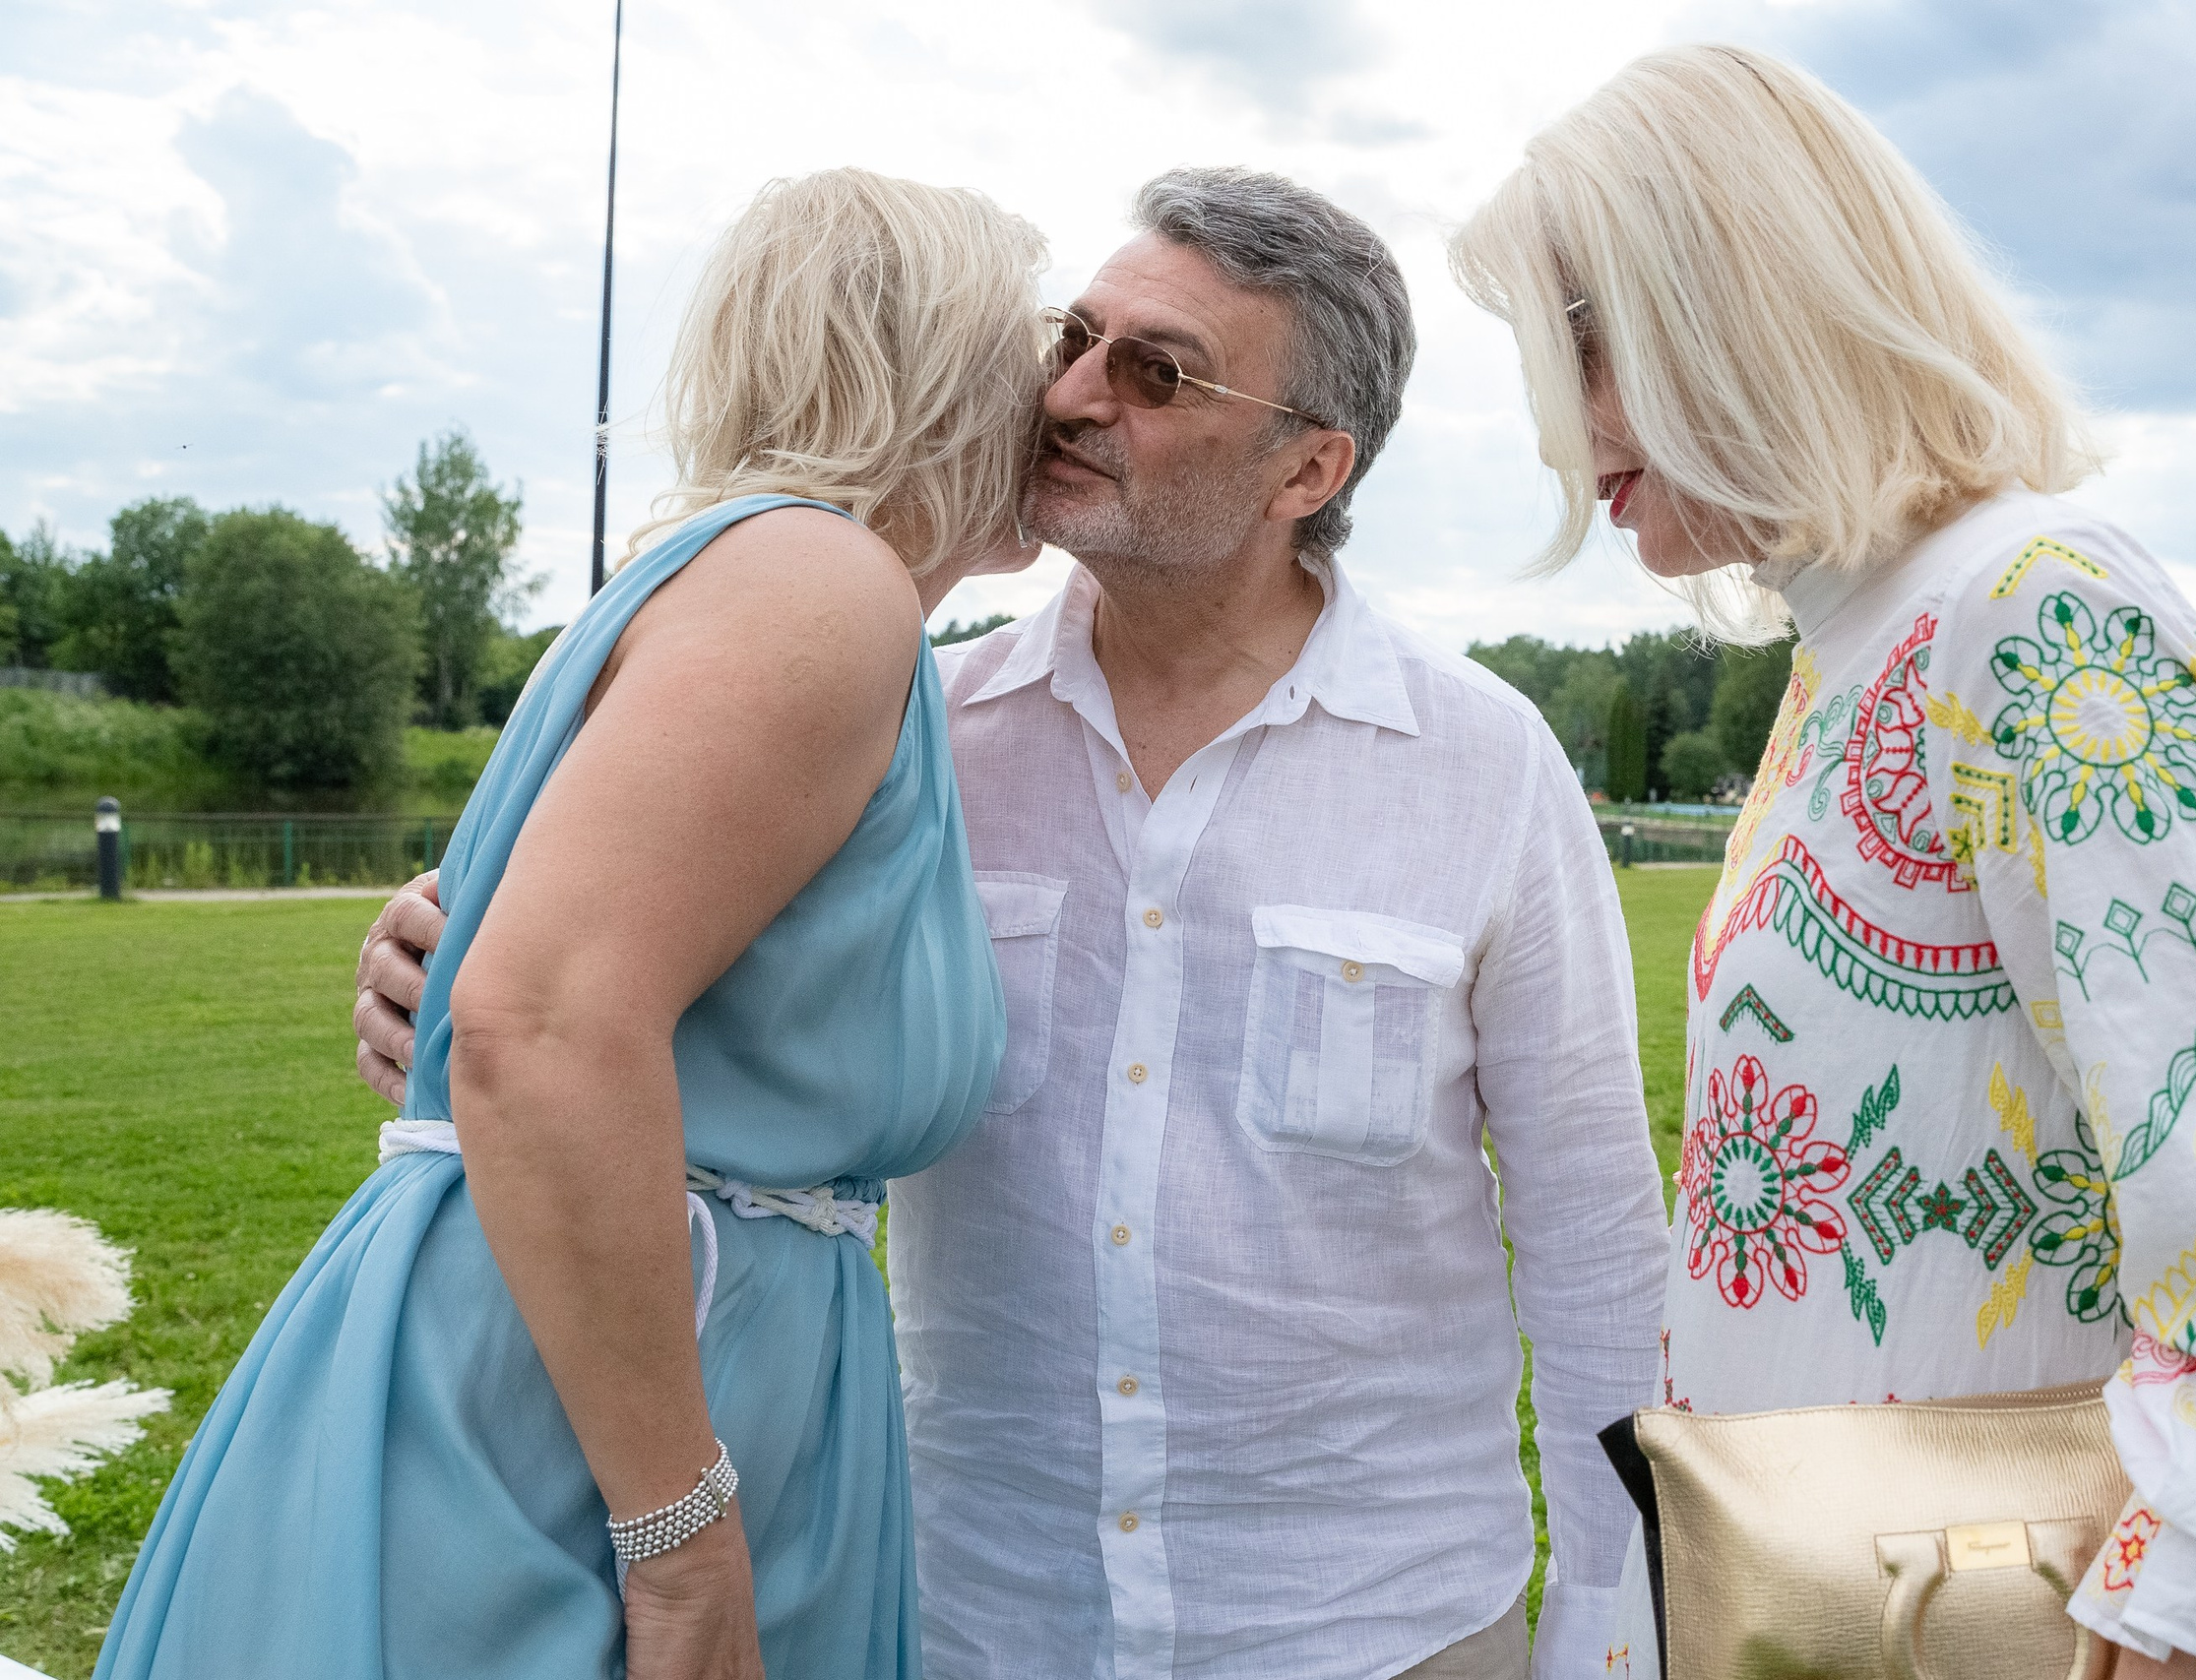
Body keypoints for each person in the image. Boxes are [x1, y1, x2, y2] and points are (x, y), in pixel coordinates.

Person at [357, 166, 1669, 1680]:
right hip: (972, 1610)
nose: (1070, 394)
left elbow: (1591, 1244)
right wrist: (438, 950)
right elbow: (597, 989)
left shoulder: (1484, 765)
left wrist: (1605, 1630)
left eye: (1156, 370)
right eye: (1074, 337)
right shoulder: (911, 726)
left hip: (1370, 1623)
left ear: (1307, 471)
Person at [1451, 44, 2196, 1680]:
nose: (1550, 438)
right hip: (1865, 1607)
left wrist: (2178, 1636)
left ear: (1714, 306)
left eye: (1564, 355)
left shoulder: (2035, 610)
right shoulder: (1856, 643)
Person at [104, 168, 1046, 1680]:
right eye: (1044, 338)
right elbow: (540, 1023)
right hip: (580, 1446)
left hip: (638, 1389)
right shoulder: (819, 582)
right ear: (943, 362)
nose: (1066, 390)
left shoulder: (757, 588)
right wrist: (680, 1549)